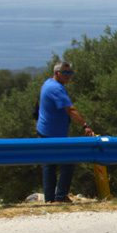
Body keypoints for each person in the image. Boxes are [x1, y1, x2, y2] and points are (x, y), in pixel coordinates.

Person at [35, 61, 94, 203]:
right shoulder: (56, 88)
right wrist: (85, 125)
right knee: (68, 162)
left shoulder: (48, 83)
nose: (69, 76)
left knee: (49, 166)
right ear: (57, 73)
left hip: (46, 130)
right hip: (52, 133)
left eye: (70, 73)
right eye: (66, 73)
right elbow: (70, 110)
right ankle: (60, 197)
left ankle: (50, 199)